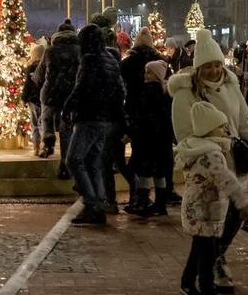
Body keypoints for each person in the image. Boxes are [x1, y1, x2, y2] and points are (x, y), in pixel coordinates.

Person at [169, 28, 248, 293]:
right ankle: (205, 278)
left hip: (234, 163)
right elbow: (184, 135)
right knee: (208, 228)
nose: (214, 71)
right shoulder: (184, 94)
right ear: (197, 68)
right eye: (207, 66)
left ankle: (211, 262)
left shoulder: (230, 85)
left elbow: (246, 127)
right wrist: (211, 147)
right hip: (207, 168)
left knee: (232, 217)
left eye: (217, 65)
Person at [175, 100, 248, 295]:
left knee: (199, 249)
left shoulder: (194, 148)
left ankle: (187, 284)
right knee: (208, 254)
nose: (225, 130)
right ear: (210, 128)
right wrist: (244, 200)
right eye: (221, 126)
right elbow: (226, 180)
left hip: (196, 209)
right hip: (206, 211)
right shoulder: (212, 154)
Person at [63, 24, 126, 225]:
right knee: (92, 161)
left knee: (74, 159)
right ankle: (98, 203)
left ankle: (92, 205)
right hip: (105, 118)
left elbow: (82, 88)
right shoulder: (111, 59)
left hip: (89, 116)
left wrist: (67, 107)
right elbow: (119, 90)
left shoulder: (90, 60)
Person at [120, 28, 162, 213]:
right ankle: (158, 199)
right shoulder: (160, 63)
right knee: (155, 162)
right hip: (155, 125)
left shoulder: (128, 63)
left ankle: (139, 197)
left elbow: (122, 87)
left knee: (138, 158)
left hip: (136, 113)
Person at [126, 59, 173, 217]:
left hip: (147, 138)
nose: (145, 75)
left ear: (155, 75)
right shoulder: (165, 93)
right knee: (159, 172)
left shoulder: (148, 92)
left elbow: (142, 116)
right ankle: (160, 204)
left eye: (148, 72)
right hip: (161, 140)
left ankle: (143, 201)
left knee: (144, 171)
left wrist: (133, 132)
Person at [34, 21, 79, 163]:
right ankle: (64, 162)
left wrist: (39, 81)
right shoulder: (79, 50)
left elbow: (39, 74)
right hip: (71, 93)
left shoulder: (50, 51)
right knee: (67, 128)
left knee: (46, 115)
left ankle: (48, 136)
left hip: (51, 91)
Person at [20, 41, 45, 156]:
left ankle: (36, 147)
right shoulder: (46, 67)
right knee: (43, 123)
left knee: (34, 124)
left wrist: (24, 98)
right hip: (43, 99)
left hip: (32, 99)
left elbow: (27, 85)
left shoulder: (30, 68)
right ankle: (45, 146)